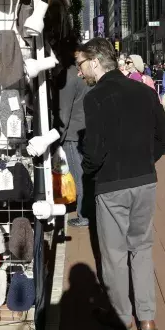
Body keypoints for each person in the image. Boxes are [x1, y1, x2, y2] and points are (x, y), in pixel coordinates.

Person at [76, 38, 165, 330]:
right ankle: (147, 317)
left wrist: (88, 170)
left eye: (81, 65)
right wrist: (146, 158)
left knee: (114, 254)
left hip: (111, 184)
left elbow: (93, 151)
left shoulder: (94, 98)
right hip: (144, 180)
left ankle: (121, 315)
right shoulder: (146, 92)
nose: (80, 73)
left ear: (95, 61)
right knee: (142, 248)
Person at [51, 37, 91, 228]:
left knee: (78, 175)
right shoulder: (84, 74)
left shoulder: (69, 75)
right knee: (84, 173)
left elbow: (63, 111)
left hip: (72, 134)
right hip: (84, 129)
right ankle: (86, 210)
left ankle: (83, 214)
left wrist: (55, 137)